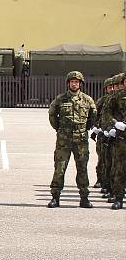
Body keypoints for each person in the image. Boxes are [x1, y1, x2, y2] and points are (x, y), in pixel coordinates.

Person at [47, 71, 97, 208]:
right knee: (60, 168)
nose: (74, 84)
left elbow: (93, 116)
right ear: (68, 83)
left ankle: (84, 197)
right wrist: (59, 129)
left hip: (80, 140)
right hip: (64, 140)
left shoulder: (87, 100)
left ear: (80, 84)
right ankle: (55, 197)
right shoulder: (61, 99)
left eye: (76, 82)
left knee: (82, 168)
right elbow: (52, 114)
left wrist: (85, 128)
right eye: (72, 82)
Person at [100, 73, 126, 209]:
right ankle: (118, 198)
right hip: (121, 138)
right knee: (119, 169)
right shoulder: (116, 97)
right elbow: (106, 113)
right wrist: (115, 124)